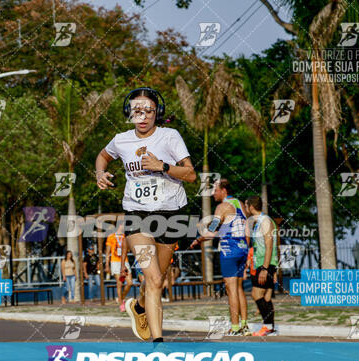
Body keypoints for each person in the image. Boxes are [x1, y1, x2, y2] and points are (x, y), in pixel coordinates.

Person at [96, 87, 196, 342]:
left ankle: (139, 306)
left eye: (148, 111)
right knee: (152, 278)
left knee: (157, 280)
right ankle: (159, 343)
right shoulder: (121, 140)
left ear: (157, 113)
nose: (142, 116)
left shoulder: (170, 137)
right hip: (137, 216)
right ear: (129, 113)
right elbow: (103, 156)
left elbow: (191, 174)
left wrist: (162, 166)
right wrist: (100, 173)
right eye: (136, 111)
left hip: (171, 216)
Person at [191, 179, 249, 335]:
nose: (213, 193)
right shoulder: (240, 204)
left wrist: (198, 240)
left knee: (231, 290)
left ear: (224, 190)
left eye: (215, 190)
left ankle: (235, 327)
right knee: (239, 289)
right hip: (243, 247)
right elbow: (246, 229)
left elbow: (211, 230)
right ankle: (244, 324)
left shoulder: (222, 207)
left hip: (229, 249)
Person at [244, 195, 278, 336]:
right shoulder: (259, 222)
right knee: (265, 297)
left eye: (246, 206)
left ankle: (268, 326)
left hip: (265, 263)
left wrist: (265, 268)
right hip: (262, 262)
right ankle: (269, 327)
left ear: (251, 207)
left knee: (256, 294)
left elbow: (270, 246)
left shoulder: (265, 221)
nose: (245, 209)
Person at [106, 223, 132, 311]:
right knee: (119, 283)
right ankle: (121, 304)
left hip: (125, 261)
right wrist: (107, 264)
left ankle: (121, 298)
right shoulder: (111, 237)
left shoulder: (125, 236)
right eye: (122, 225)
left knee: (129, 282)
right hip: (115, 261)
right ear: (119, 226)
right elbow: (108, 252)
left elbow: (128, 249)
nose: (124, 226)